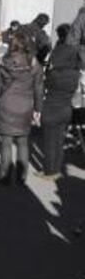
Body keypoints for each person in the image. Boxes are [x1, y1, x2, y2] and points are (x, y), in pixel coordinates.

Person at [0, 32, 43, 185]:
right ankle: (21, 177)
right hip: (26, 106)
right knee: (23, 142)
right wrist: (38, 109)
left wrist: (2, 94)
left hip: (7, 104)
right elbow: (39, 89)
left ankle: (5, 176)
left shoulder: (3, 61)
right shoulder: (34, 63)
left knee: (6, 142)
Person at [38, 24, 79, 180]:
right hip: (66, 109)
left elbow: (46, 85)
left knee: (49, 142)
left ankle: (49, 171)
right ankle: (56, 170)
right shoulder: (75, 74)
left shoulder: (54, 74)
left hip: (52, 108)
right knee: (59, 141)